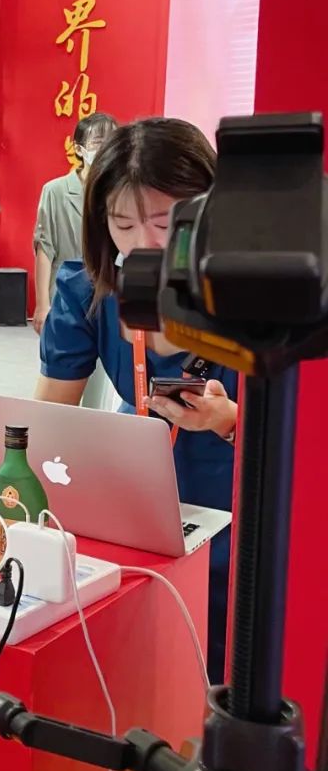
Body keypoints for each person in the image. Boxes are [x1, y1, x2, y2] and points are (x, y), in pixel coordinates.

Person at [36, 117, 238, 682]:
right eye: (123, 224)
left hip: (237, 492)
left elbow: (304, 440)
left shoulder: (253, 294)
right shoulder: (88, 290)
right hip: (141, 499)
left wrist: (229, 420)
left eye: (166, 223)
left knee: (226, 658)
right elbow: (46, 420)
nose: (144, 244)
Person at [32, 111, 118, 334]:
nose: (106, 149)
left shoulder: (122, 191)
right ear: (79, 149)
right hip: (66, 291)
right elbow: (45, 249)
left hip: (112, 292)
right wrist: (42, 304)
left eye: (112, 141)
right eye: (98, 142)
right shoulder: (56, 191)